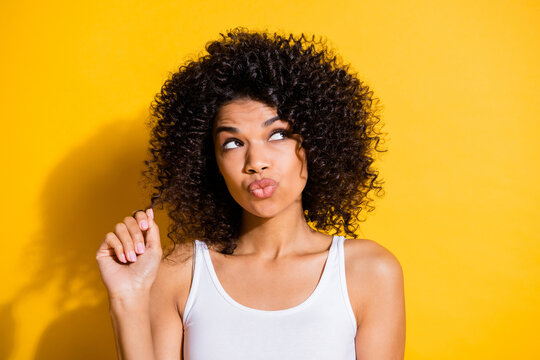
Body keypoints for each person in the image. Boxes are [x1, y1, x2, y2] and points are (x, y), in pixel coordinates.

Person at [96, 28, 405, 360]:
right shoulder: (179, 273)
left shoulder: (369, 272)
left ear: (315, 141)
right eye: (233, 143)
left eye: (277, 135)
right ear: (210, 161)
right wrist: (128, 300)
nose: (256, 163)